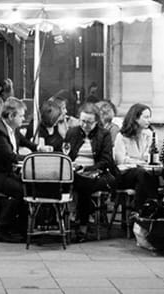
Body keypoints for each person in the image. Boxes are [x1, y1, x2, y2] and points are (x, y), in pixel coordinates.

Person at [0, 96, 37, 243]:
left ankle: (22, 229)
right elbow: (10, 156)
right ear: (11, 116)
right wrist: (31, 159)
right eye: (21, 116)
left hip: (6, 174)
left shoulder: (12, 129)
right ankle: (3, 230)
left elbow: (27, 143)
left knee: (29, 187)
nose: (23, 118)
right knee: (21, 191)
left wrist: (39, 149)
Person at [63, 102, 116, 241]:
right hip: (75, 173)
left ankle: (81, 225)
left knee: (84, 185)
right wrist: (73, 165)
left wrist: (87, 169)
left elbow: (106, 160)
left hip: (98, 173)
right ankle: (79, 223)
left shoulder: (104, 135)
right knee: (80, 183)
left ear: (96, 121)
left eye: (89, 122)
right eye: (82, 121)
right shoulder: (72, 132)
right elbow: (65, 154)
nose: (85, 125)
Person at [114, 102, 160, 207]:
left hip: (143, 173)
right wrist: (138, 162)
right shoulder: (121, 136)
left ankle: (139, 210)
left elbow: (150, 157)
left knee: (148, 177)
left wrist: (133, 160)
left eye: (150, 117)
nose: (149, 120)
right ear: (136, 118)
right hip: (125, 174)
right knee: (143, 174)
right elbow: (120, 160)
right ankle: (151, 207)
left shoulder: (150, 135)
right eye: (146, 117)